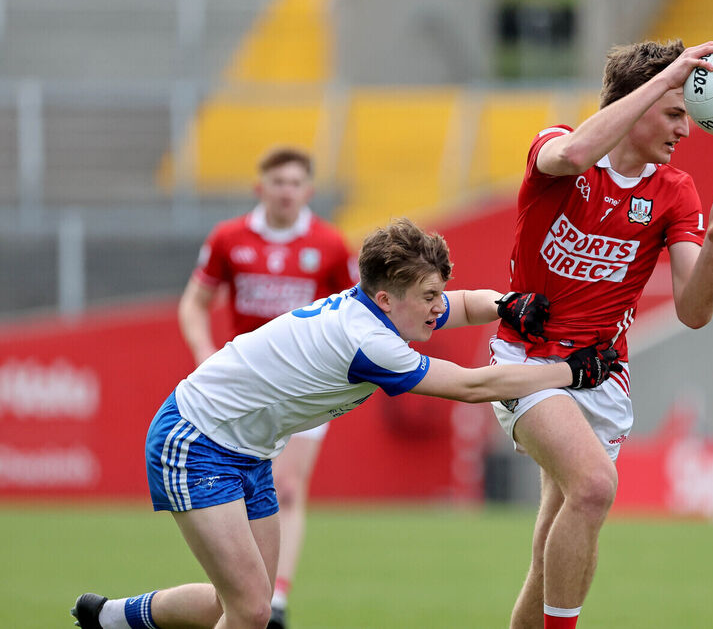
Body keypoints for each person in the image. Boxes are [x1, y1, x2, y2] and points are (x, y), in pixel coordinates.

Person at [71, 217, 622, 629]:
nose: (438, 307)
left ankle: (112, 618)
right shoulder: (371, 342)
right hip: (195, 442)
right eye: (428, 297)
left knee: (237, 602)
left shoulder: (381, 308)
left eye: (437, 293)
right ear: (387, 297)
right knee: (250, 608)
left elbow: (464, 302)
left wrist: (505, 305)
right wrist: (566, 372)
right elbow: (473, 386)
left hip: (247, 450)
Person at [489, 38, 713, 629]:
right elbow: (577, 153)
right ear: (639, 103)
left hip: (601, 374)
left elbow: (694, 311)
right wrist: (662, 82)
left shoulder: (676, 192)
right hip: (526, 359)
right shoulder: (556, 145)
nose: (686, 129)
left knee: (549, 559)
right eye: (675, 112)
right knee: (593, 486)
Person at [177, 147, 356, 629]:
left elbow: (358, 314)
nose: (286, 191)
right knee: (245, 487)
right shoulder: (229, 238)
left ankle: (273, 598)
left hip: (306, 386)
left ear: (309, 191)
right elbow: (194, 303)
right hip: (244, 387)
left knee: (288, 487)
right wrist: (203, 354)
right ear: (260, 188)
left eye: (295, 182)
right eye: (277, 182)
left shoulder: (331, 245)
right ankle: (243, 591)